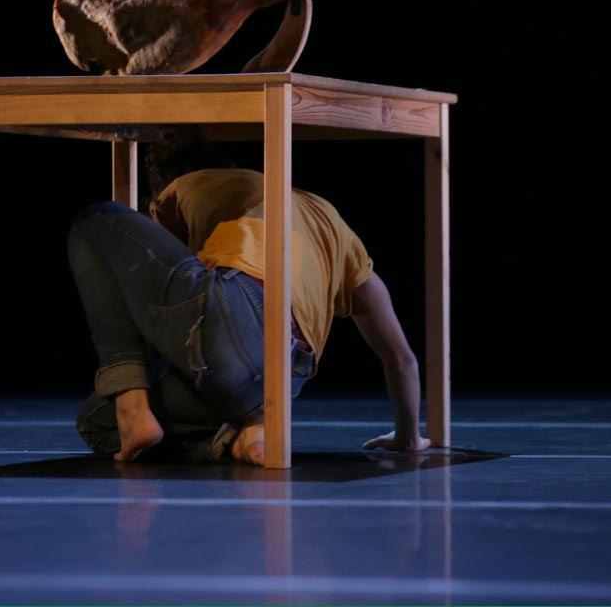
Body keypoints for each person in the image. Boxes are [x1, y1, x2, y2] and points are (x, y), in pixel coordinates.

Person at [67, 133, 431, 466]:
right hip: (280, 379)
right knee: (96, 419)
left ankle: (132, 405)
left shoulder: (186, 186)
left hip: (235, 315)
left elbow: (148, 287)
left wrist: (132, 374)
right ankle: (237, 440)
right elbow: (400, 357)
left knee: (94, 220)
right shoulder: (337, 231)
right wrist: (408, 437)